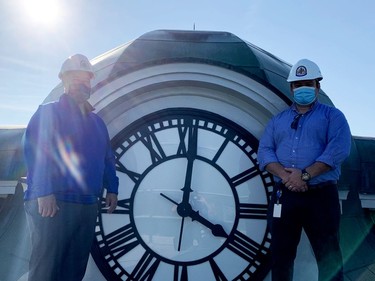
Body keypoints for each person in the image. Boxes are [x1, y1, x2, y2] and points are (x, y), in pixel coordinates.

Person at [23, 54, 119, 281]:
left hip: (87, 204)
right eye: (75, 77)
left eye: (85, 79)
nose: (81, 83)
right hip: (54, 203)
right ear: (64, 81)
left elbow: (107, 158)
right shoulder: (47, 112)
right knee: (45, 269)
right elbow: (36, 151)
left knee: (74, 270)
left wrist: (112, 187)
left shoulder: (98, 123)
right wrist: (44, 191)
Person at [257, 59, 351, 281]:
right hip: (285, 195)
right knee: (281, 255)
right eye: (298, 85)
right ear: (291, 88)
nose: (302, 89)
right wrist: (285, 176)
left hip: (321, 196)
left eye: (308, 83)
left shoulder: (333, 117)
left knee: (329, 257)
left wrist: (305, 175)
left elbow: (338, 149)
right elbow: (265, 151)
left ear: (317, 86)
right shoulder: (277, 121)